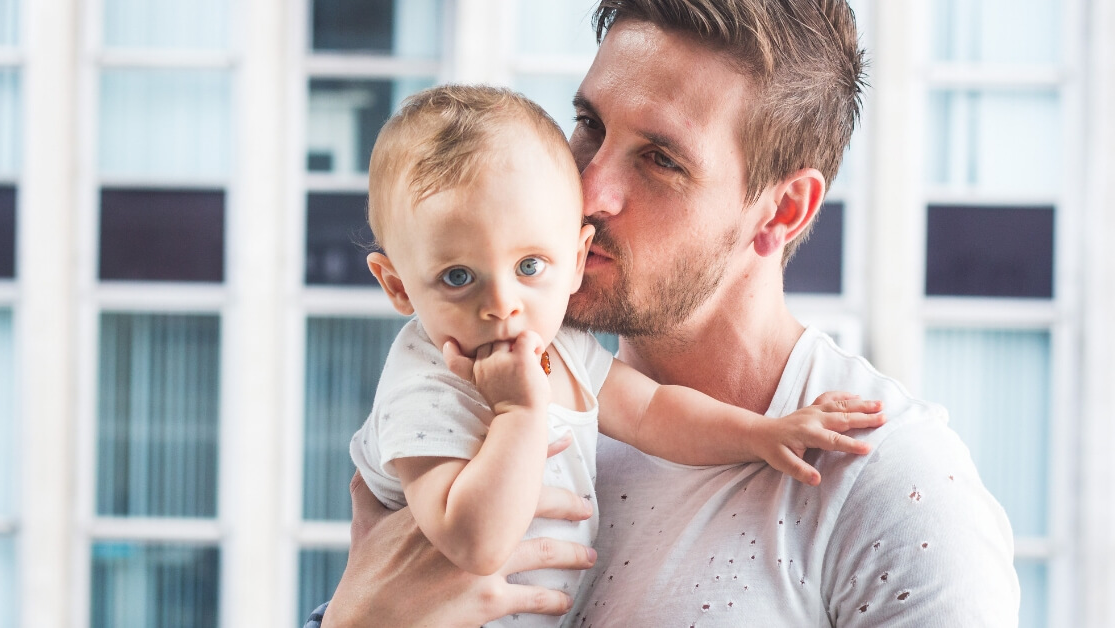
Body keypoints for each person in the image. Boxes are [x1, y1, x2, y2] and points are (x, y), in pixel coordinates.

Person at [309, 0, 1020, 626]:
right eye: (588, 123)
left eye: (659, 159)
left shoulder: (893, 487)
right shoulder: (506, 399)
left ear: (783, 210)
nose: (585, 191)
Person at [350, 83, 884, 628]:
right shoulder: (427, 388)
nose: (502, 305)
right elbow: (476, 545)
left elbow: (655, 411)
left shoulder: (564, 347)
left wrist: (762, 434)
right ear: (397, 286)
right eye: (458, 278)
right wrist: (518, 414)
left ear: (576, 258)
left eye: (530, 267)